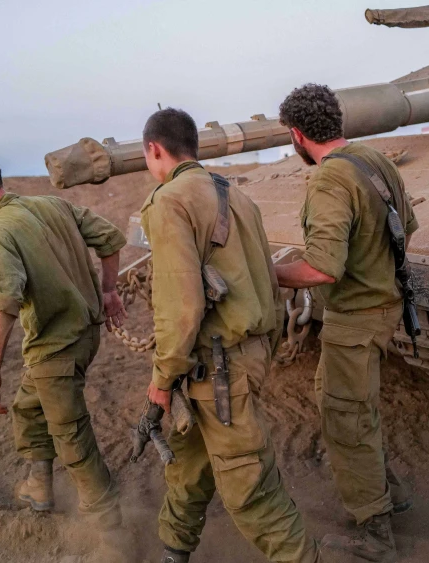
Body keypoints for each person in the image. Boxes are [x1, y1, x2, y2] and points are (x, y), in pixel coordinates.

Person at [140, 108, 321, 563]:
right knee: (189, 466)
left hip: (217, 368)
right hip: (237, 357)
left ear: (153, 150)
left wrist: (162, 382)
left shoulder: (170, 201)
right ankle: (174, 550)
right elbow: (264, 277)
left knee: (248, 489)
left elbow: (181, 307)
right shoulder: (236, 195)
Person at [0, 151, 129, 542]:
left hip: (56, 349)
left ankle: (111, 532)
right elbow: (111, 238)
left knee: (72, 437)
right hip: (85, 336)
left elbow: (3, 302)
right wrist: (109, 289)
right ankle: (40, 486)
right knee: (28, 408)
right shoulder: (50, 205)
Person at [274, 83, 417, 562]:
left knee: (346, 421)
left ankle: (375, 534)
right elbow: (407, 230)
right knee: (342, 402)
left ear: (297, 134)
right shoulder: (377, 161)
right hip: (382, 307)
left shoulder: (330, 179)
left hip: (355, 318)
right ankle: (388, 492)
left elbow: (321, 268)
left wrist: (267, 273)